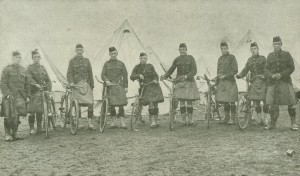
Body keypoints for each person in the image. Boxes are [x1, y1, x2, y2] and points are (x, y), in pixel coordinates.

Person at [161, 43, 200, 126]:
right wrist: (165, 76)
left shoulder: (191, 58)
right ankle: (183, 120)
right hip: (179, 82)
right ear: (179, 50)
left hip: (189, 82)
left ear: (186, 49)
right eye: (180, 49)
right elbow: (171, 69)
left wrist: (187, 76)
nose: (182, 51)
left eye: (183, 49)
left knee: (189, 102)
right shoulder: (177, 59)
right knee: (182, 101)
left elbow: (194, 71)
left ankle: (190, 120)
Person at [264, 36, 298, 130]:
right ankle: (273, 124)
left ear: (281, 44)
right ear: (273, 45)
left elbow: (291, 67)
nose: (277, 45)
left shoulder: (286, 55)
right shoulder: (270, 56)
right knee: (273, 104)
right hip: (274, 83)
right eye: (275, 44)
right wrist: (271, 75)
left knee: (291, 102)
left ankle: (293, 123)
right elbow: (266, 69)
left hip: (285, 81)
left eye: (279, 44)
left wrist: (281, 74)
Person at [236, 42, 270, 127]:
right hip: (254, 82)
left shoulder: (263, 58)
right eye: (251, 49)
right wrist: (240, 75)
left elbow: (267, 69)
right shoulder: (249, 60)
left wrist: (264, 75)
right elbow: (245, 69)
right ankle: (259, 119)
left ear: (258, 49)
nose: (253, 50)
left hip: (263, 82)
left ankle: (265, 119)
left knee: (265, 101)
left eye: (254, 49)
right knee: (256, 101)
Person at [0, 51, 30, 141]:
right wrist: (7, 94)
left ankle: (14, 133)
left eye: (20, 57)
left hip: (20, 97)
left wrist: (28, 96)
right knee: (8, 115)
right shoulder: (7, 69)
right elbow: (2, 83)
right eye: (17, 57)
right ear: (12, 58)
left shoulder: (23, 70)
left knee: (17, 116)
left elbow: (27, 84)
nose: (18, 59)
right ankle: (7, 134)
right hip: (10, 97)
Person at [130, 52, 164, 128]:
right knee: (151, 102)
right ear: (139, 58)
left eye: (145, 58)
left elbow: (155, 75)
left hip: (153, 86)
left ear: (147, 59)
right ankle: (152, 121)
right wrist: (138, 75)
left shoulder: (150, 66)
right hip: (144, 87)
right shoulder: (137, 67)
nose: (143, 60)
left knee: (155, 103)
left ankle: (155, 120)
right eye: (141, 58)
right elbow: (131, 76)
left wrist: (155, 80)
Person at [67, 44, 95, 130]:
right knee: (77, 104)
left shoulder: (87, 61)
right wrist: (71, 82)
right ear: (75, 51)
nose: (79, 52)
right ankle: (79, 122)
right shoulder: (72, 61)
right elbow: (69, 73)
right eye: (78, 50)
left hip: (86, 84)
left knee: (90, 103)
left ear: (83, 51)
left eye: (81, 50)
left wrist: (92, 85)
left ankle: (89, 123)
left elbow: (90, 73)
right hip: (76, 85)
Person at [27, 49, 53, 134]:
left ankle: (39, 127)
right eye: (35, 57)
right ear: (32, 58)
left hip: (42, 92)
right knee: (32, 111)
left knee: (40, 110)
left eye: (38, 57)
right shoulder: (30, 68)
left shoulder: (42, 68)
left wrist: (49, 88)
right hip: (33, 92)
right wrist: (35, 84)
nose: (37, 58)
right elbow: (29, 78)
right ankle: (31, 128)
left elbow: (48, 80)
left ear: (40, 58)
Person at [101, 47, 128, 129]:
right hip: (110, 86)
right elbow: (103, 75)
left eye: (114, 53)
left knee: (121, 105)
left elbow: (125, 75)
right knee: (112, 105)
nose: (113, 55)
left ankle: (122, 122)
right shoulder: (106, 64)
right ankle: (113, 122)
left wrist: (126, 86)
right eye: (111, 54)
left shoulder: (121, 64)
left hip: (119, 85)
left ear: (117, 54)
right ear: (109, 54)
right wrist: (106, 80)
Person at [215, 42, 238, 124]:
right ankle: (226, 117)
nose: (223, 50)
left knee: (231, 100)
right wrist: (217, 80)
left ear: (228, 48)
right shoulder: (220, 59)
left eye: (225, 48)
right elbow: (218, 71)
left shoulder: (232, 57)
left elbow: (235, 70)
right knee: (225, 101)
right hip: (222, 83)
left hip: (230, 82)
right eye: (222, 49)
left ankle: (232, 118)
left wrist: (225, 76)